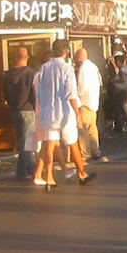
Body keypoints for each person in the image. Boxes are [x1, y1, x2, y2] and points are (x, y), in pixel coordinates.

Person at [35, 39, 93, 189]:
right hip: (65, 111)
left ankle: (49, 177)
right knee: (72, 142)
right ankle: (82, 173)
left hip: (48, 111)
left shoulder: (44, 68)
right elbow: (71, 94)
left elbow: (39, 93)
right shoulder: (66, 68)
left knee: (49, 143)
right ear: (66, 51)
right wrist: (78, 114)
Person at [2, 47, 36, 180]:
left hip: (14, 110)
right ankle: (22, 171)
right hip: (28, 109)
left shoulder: (7, 75)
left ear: (15, 57)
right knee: (28, 143)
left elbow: (5, 94)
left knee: (22, 140)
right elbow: (34, 93)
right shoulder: (31, 74)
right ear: (27, 57)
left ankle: (32, 169)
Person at [75, 46, 108, 164]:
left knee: (83, 129)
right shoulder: (94, 66)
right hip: (94, 102)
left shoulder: (83, 69)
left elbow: (81, 87)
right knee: (93, 127)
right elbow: (100, 82)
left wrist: (77, 98)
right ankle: (96, 150)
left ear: (79, 58)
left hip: (85, 102)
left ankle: (86, 153)